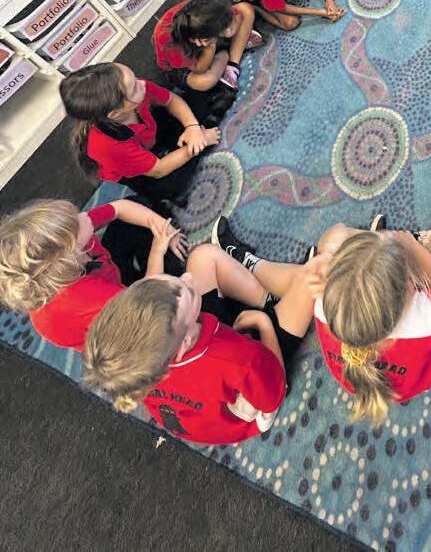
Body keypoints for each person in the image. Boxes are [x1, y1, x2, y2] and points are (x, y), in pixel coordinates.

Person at [82, 219, 322, 444]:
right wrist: (263, 323)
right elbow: (273, 395)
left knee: (202, 256)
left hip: (207, 347)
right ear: (185, 342)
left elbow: (157, 289)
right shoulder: (237, 361)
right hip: (259, 385)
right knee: (311, 279)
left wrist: (159, 253)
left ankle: (268, 296)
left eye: (176, 279)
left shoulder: (139, 365)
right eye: (187, 288)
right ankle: (266, 286)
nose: (187, 277)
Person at [309, 224, 431, 424]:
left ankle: (378, 259)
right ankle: (408, 257)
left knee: (336, 235)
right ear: (411, 286)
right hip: (415, 382)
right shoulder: (424, 317)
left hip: (355, 382)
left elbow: (333, 235)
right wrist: (412, 245)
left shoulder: (322, 303)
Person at [0, 196, 187, 349]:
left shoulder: (68, 245)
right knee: (179, 305)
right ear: (69, 257)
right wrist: (157, 251)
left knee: (138, 205)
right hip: (125, 325)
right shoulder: (81, 298)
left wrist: (166, 230)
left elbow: (119, 207)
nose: (83, 217)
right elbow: (146, 303)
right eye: (76, 224)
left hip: (108, 278)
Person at [60, 63, 220, 209]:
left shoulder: (136, 90)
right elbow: (158, 170)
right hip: (138, 168)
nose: (142, 83)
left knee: (195, 102)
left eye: (135, 78)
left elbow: (171, 100)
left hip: (150, 133)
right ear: (115, 113)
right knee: (168, 187)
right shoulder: (107, 146)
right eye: (134, 87)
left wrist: (192, 127)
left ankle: (188, 143)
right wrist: (198, 144)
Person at [152, 0, 263, 123]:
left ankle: (231, 67)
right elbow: (199, 68)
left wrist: (229, 29)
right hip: (183, 67)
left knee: (246, 10)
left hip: (211, 42)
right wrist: (210, 47)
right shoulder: (169, 42)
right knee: (204, 81)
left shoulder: (206, 12)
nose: (227, 31)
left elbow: (237, 15)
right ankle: (232, 48)